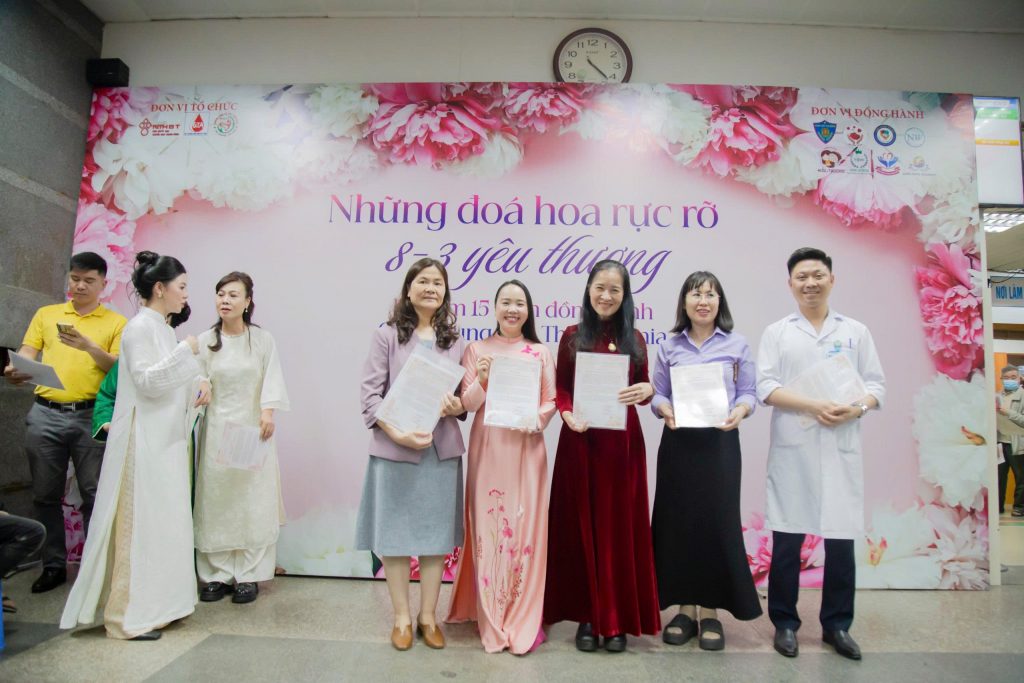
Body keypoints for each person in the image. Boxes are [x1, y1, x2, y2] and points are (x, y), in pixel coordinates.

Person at [61, 251, 206, 640]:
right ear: (159, 288)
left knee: (163, 524)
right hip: (143, 442)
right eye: (181, 287)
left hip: (165, 441)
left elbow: (169, 382)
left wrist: (198, 383)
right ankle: (127, 617)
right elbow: (147, 381)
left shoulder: (163, 329)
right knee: (139, 526)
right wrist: (187, 352)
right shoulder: (140, 328)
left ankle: (162, 606)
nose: (185, 294)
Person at [756, 247, 886, 661]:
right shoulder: (778, 332)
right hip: (793, 450)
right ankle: (785, 624)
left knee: (841, 540)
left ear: (832, 279)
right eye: (802, 277)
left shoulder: (855, 331)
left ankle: (837, 626)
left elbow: (876, 386)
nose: (810, 283)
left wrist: (857, 408)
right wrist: (814, 406)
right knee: (787, 539)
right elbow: (765, 387)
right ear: (790, 284)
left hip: (839, 446)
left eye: (817, 275)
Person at [543, 259, 660, 653]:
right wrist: (566, 412)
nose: (606, 296)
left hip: (622, 447)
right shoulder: (572, 336)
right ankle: (588, 616)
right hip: (580, 441)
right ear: (589, 290)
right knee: (583, 528)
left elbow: (643, 388)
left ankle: (616, 619)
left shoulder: (635, 339)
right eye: (600, 287)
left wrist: (647, 391)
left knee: (617, 530)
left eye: (615, 290)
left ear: (625, 296)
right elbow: (561, 389)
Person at [355, 258, 466, 651]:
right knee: (396, 537)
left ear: (445, 292)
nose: (430, 288)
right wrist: (398, 433)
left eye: (438, 282)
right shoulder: (386, 335)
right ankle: (402, 618)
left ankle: (428, 617)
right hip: (395, 451)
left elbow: (463, 402)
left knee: (436, 538)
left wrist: (458, 404)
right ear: (408, 289)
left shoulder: (455, 341)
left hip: (440, 452)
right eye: (423, 281)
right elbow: (370, 398)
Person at [650, 271, 762, 651]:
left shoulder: (737, 344)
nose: (703, 301)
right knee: (679, 524)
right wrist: (664, 409)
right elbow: (658, 394)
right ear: (684, 302)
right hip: (679, 444)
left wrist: (740, 411)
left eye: (710, 295)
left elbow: (749, 392)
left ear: (719, 302)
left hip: (720, 444)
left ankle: (710, 611)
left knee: (716, 523)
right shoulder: (669, 346)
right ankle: (684, 610)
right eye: (696, 294)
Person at [3, 252, 126, 594]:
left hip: (91, 415)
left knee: (94, 492)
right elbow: (28, 351)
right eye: (75, 279)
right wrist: (17, 368)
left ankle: (94, 567)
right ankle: (53, 564)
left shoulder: (116, 322)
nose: (80, 286)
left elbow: (118, 370)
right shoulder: (48, 314)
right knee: (45, 494)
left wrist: (88, 346)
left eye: (88, 280)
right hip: (45, 412)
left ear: (103, 283)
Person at [446, 280, 556, 654]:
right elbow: (467, 404)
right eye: (506, 302)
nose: (512, 309)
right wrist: (482, 378)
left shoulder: (540, 352)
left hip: (527, 448)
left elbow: (550, 401)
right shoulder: (477, 350)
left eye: (519, 303)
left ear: (528, 310)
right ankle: (492, 614)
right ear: (494, 308)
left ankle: (523, 613)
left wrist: (537, 420)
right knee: (491, 526)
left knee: (525, 528)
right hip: (490, 447)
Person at [193, 272, 290, 604]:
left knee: (250, 500)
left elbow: (272, 378)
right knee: (216, 500)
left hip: (252, 430)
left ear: (248, 301)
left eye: (233, 295)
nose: (225, 300)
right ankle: (216, 575)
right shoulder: (205, 340)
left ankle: (249, 575)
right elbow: (196, 376)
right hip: (217, 431)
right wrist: (201, 384)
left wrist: (268, 412)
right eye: (221, 294)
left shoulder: (261, 340)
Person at [996, 365, 1024, 516]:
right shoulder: (996, 396)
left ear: (1020, 379)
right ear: (1001, 379)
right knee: (999, 476)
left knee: (1021, 477)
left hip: (1018, 442)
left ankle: (1019, 507)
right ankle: (997, 506)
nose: (1010, 381)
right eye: (1006, 378)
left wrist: (1009, 413)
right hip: (999, 443)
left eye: (1013, 378)